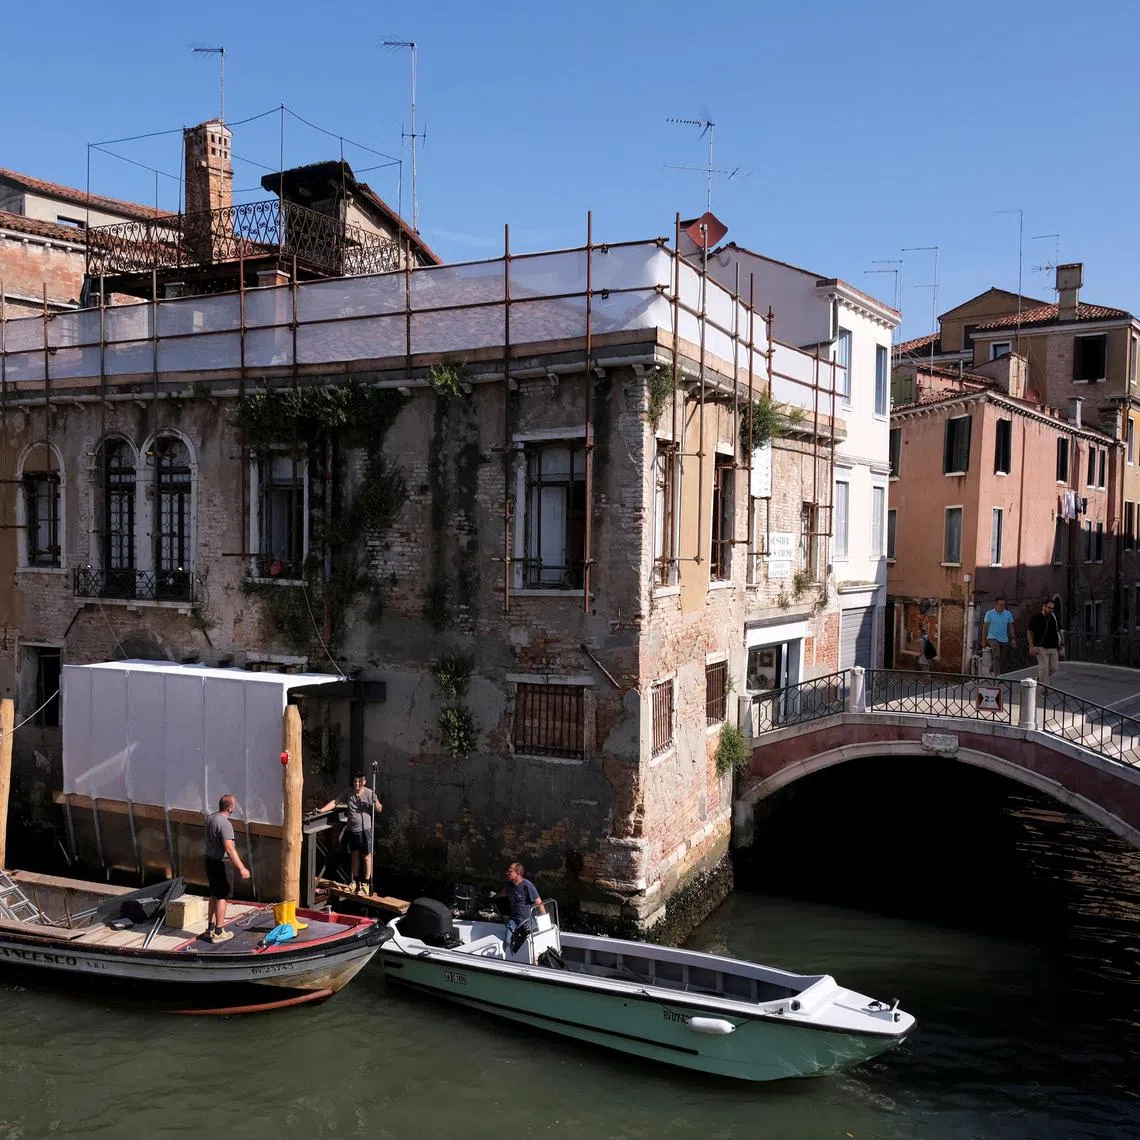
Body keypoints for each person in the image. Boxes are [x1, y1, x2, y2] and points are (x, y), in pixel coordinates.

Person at [319, 773, 381, 894]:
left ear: (364, 782)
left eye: (359, 782)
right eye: (355, 782)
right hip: (352, 830)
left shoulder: (369, 793)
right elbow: (335, 802)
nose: (357, 784)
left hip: (365, 829)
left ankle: (366, 884)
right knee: (354, 855)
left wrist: (375, 802)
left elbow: (379, 809)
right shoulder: (348, 792)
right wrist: (321, 810)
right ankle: (355, 882)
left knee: (367, 856)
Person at [204, 794, 251, 944]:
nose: (235, 807)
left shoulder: (210, 818)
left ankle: (210, 928)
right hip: (221, 863)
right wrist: (242, 868)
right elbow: (230, 849)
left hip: (209, 860)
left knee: (214, 894)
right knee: (222, 896)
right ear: (230, 807)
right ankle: (219, 931)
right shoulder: (225, 824)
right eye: (234, 805)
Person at [495, 862, 546, 947]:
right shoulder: (510, 885)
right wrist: (495, 896)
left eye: (510, 871)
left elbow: (539, 904)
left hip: (526, 922)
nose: (507, 873)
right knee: (507, 942)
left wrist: (544, 925)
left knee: (527, 944)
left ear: (517, 873)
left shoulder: (527, 885)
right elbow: (504, 893)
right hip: (514, 920)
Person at [1027, 598, 1061, 686]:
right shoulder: (1036, 617)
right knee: (1044, 668)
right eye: (1049, 608)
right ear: (1044, 606)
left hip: (1053, 646)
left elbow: (1060, 630)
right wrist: (1031, 646)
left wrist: (1062, 644)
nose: (1051, 610)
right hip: (1040, 646)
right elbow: (1030, 632)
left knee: (1054, 668)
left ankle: (1039, 678)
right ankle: (1044, 689)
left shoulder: (1054, 617)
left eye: (1052, 608)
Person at [982, 596, 1017, 676]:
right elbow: (985, 627)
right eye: (1001, 605)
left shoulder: (1007, 614)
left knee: (1002, 657)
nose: (1002, 606)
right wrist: (983, 640)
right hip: (992, 637)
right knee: (997, 654)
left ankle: (992, 667)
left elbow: (1011, 626)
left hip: (1004, 638)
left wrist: (1013, 638)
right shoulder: (989, 613)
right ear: (996, 605)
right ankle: (997, 676)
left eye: (1004, 605)